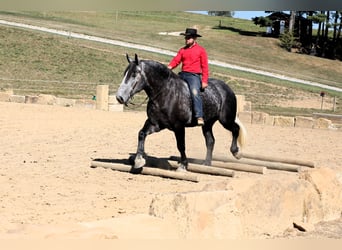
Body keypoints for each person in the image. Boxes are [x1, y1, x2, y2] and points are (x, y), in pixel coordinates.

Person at [167, 28, 209, 126]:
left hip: (193, 76)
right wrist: (169, 67)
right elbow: (176, 60)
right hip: (182, 74)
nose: (186, 39)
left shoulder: (201, 50)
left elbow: (205, 66)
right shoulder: (182, 50)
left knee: (194, 92)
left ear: (194, 38)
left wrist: (204, 80)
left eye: (189, 38)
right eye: (186, 37)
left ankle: (199, 116)